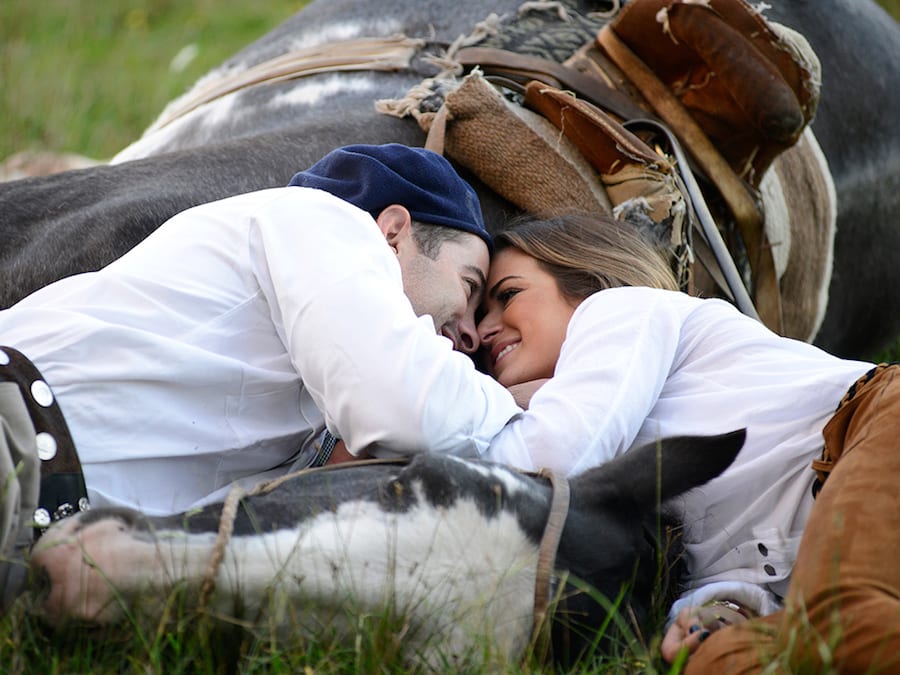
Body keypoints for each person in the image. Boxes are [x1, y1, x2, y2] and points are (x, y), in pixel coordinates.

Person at [0, 143, 522, 605]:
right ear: (393, 232)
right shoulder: (323, 222)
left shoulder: (316, 390)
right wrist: (517, 405)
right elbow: (405, 407)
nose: (473, 336)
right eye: (470, 285)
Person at [474, 212, 899, 672]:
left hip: (869, 427)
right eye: (479, 320)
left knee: (851, 623)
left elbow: (549, 458)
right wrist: (719, 612)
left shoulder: (620, 308)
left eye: (508, 296)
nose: (483, 331)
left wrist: (480, 403)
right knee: (710, 660)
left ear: (586, 277)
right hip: (805, 569)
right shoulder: (612, 436)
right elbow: (732, 566)